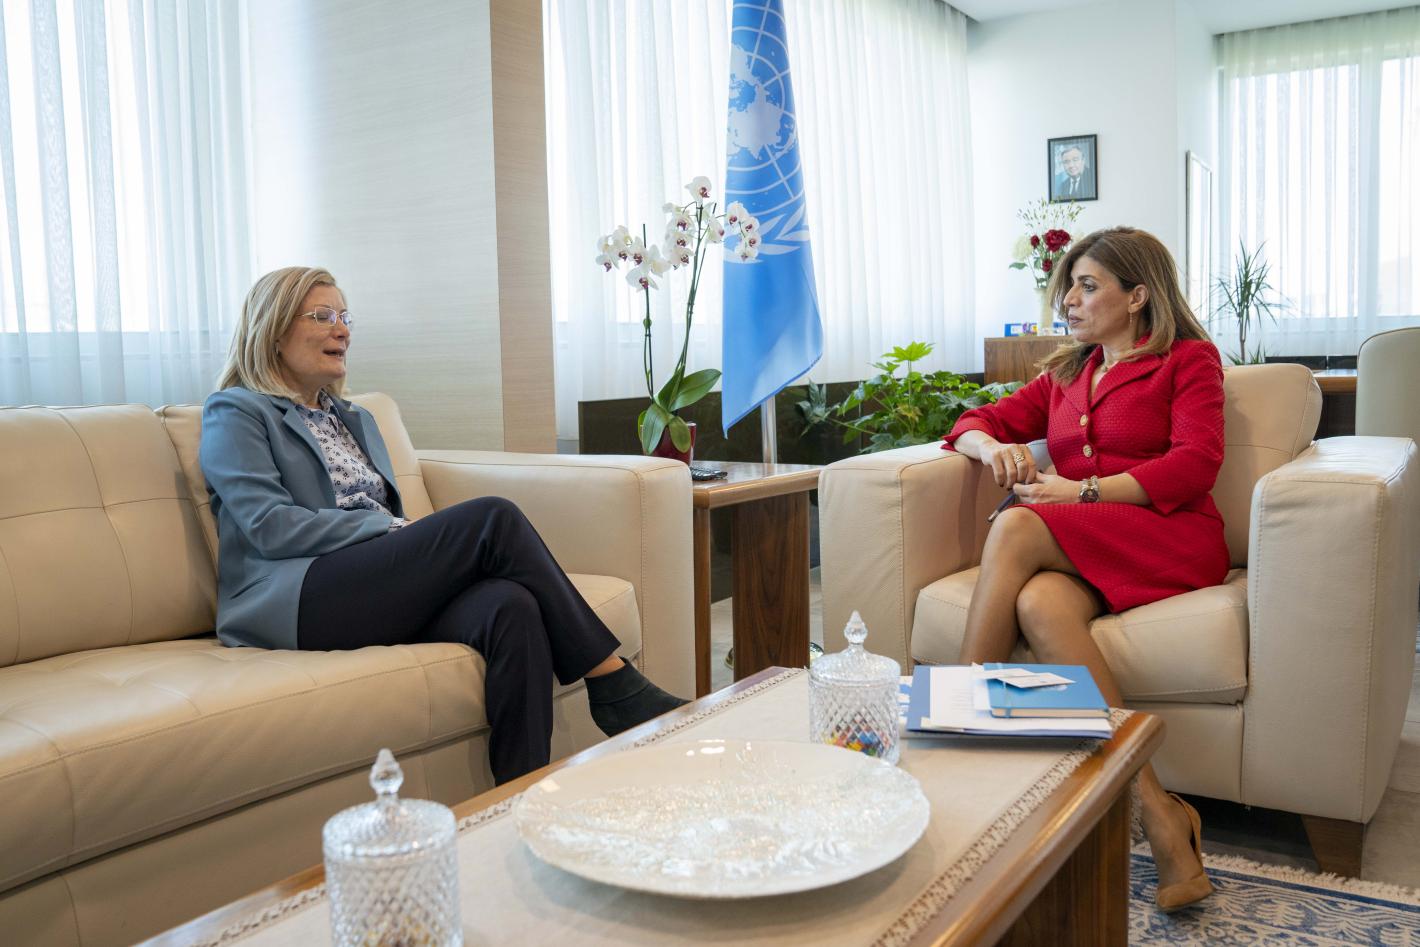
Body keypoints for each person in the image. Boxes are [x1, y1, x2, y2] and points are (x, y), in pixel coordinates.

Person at [200, 266, 686, 785]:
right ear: (273, 331)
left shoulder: (354, 417)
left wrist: (395, 534)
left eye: (345, 317)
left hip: (366, 580)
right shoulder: (236, 411)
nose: (341, 329)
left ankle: (519, 798)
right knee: (493, 517)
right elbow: (269, 525)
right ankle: (613, 683)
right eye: (322, 316)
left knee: (511, 606)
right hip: (299, 594)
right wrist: (386, 530)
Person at [942, 227, 1222, 912]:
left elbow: (1196, 463)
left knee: (1015, 523)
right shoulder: (1067, 372)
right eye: (1068, 285)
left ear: (1138, 295)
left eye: (1088, 285)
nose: (1068, 298)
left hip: (1169, 534)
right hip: (1087, 543)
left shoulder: (1189, 360)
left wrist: (1083, 492)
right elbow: (974, 419)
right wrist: (989, 449)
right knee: (1039, 605)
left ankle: (950, 749)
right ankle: (1159, 813)